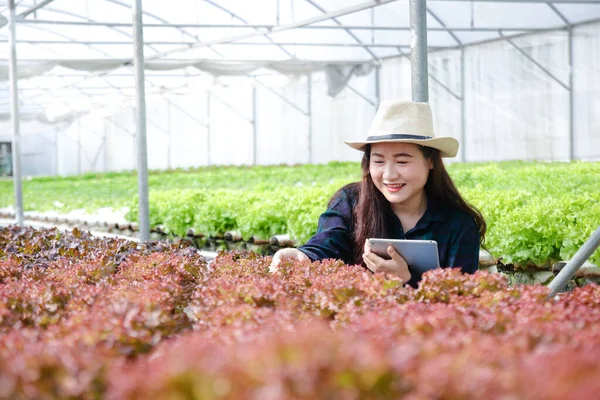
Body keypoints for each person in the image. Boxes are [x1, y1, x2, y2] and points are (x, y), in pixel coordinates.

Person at [269, 100, 486, 287]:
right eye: (379, 161)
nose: (389, 175)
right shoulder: (350, 201)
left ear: (430, 161)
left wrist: (406, 280)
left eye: (402, 161)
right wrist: (304, 255)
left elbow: (460, 297)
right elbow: (329, 241)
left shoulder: (458, 224)